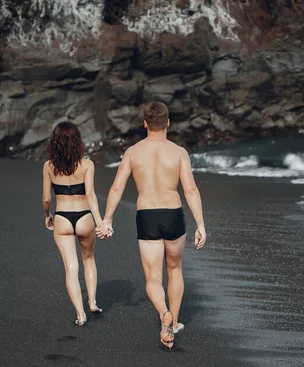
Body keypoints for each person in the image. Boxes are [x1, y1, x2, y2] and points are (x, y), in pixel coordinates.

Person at [98, 101, 206, 349]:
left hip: (147, 214)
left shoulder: (133, 152)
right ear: (168, 122)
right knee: (175, 270)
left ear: (145, 123)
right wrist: (200, 224)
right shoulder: (179, 152)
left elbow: (117, 187)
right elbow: (190, 189)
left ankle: (163, 314)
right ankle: (174, 322)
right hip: (173, 214)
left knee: (152, 278)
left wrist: (107, 219)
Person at [43, 121, 108, 326]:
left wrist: (47, 215)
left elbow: (46, 198)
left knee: (71, 268)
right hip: (84, 217)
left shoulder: (48, 166)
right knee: (88, 258)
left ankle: (80, 314)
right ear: (77, 141)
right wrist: (100, 223)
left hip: (62, 218)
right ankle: (93, 302)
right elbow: (90, 195)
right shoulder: (87, 165)